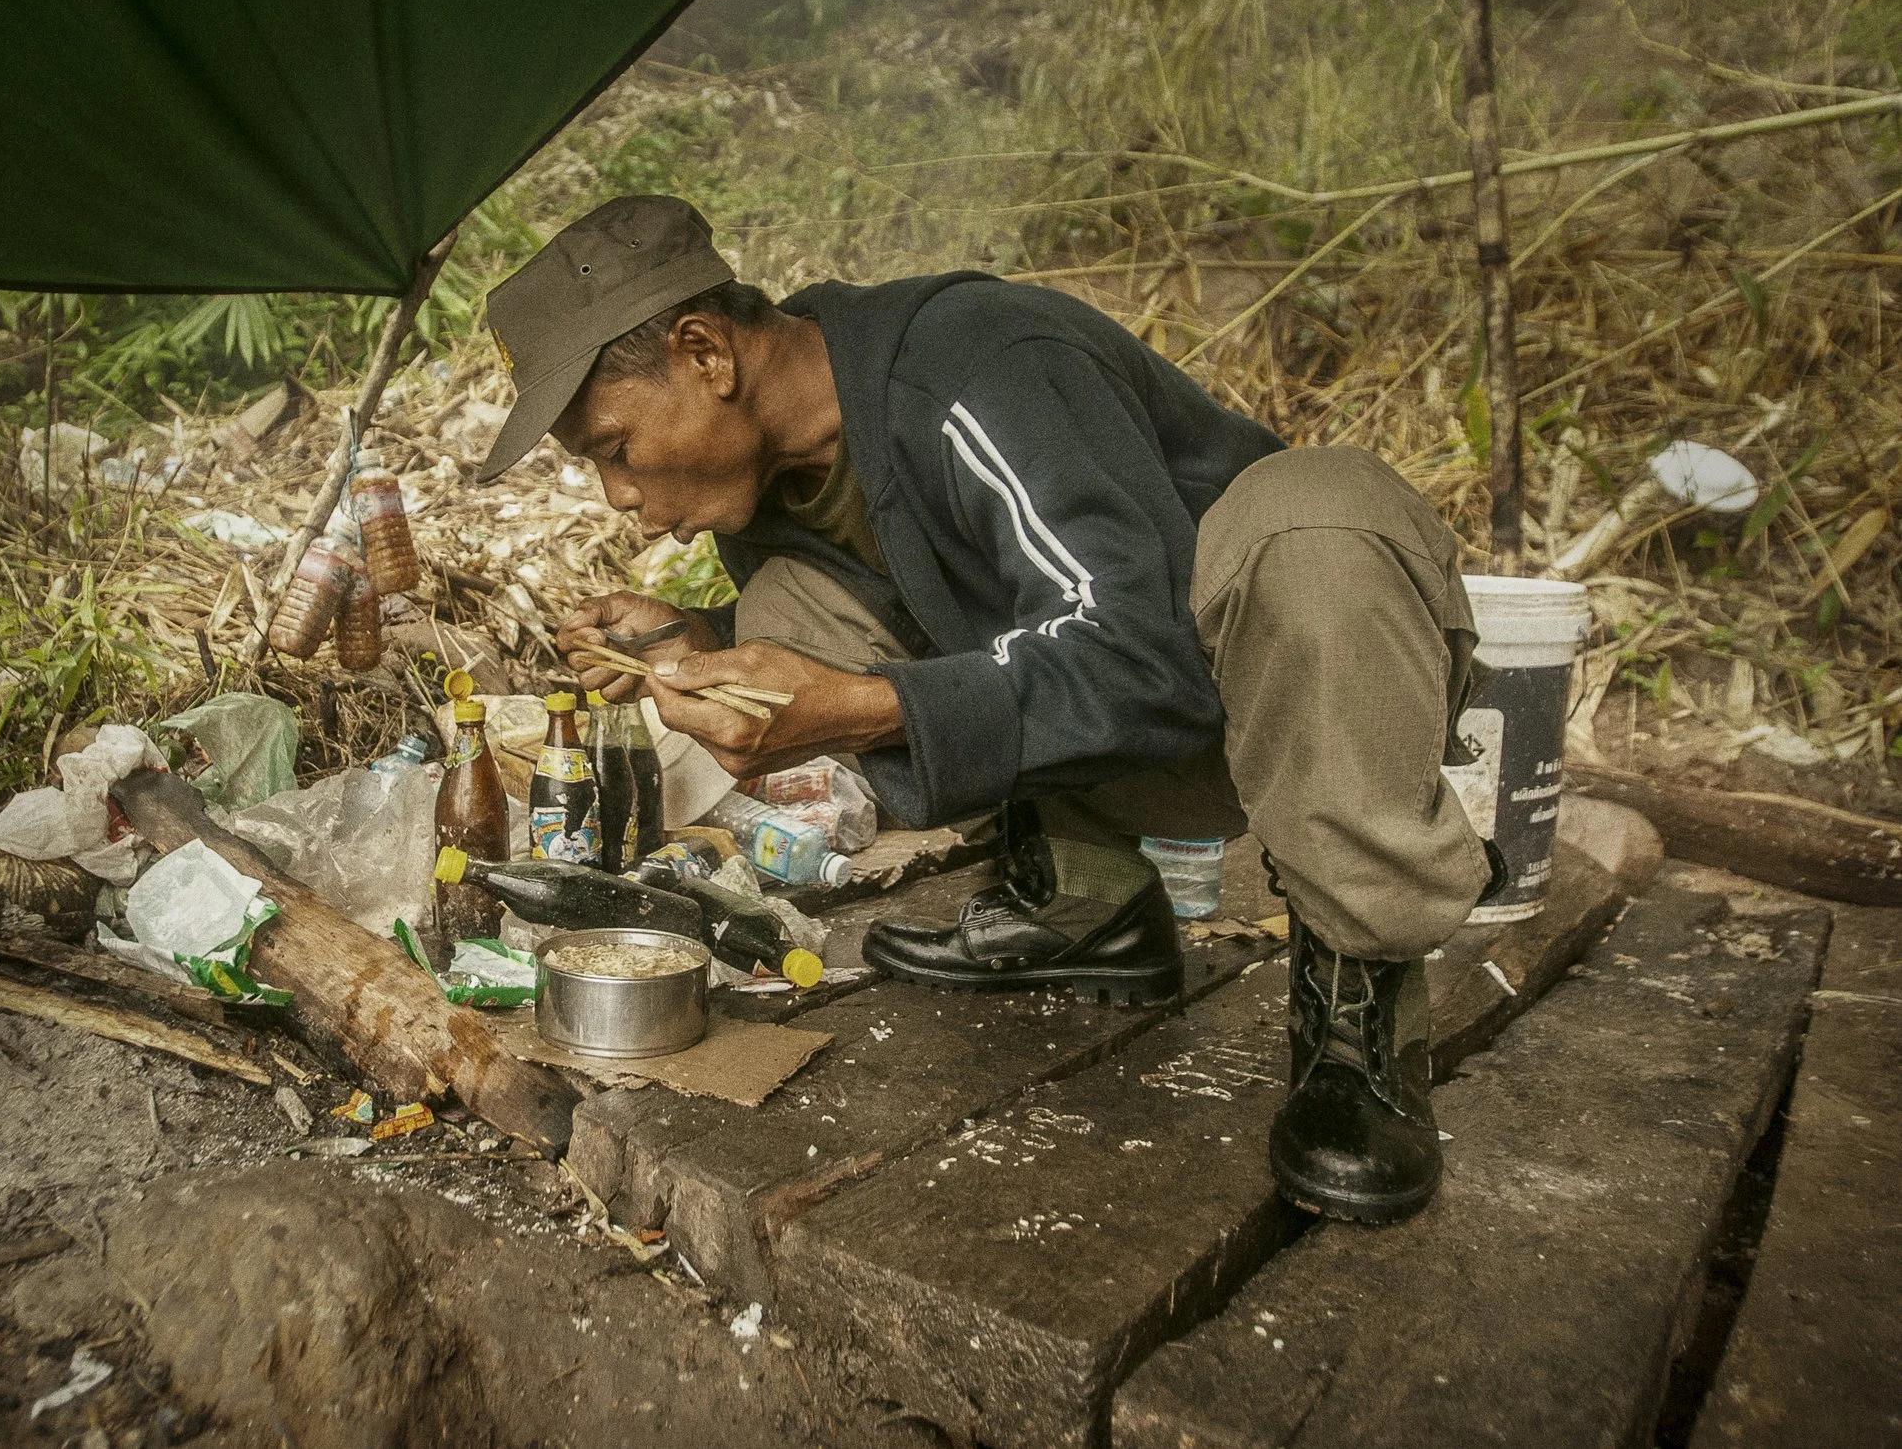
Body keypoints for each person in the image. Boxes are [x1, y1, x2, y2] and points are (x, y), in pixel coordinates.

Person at [479, 194, 1499, 1225]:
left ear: (705, 353)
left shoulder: (974, 366)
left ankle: (1360, 1008)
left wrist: (868, 707)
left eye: (611, 444)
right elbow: (945, 609)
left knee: (1313, 514)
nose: (615, 491)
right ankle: (1085, 896)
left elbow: (1143, 651)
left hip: (1292, 701)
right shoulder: (784, 480)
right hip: (1146, 733)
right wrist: (706, 643)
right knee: (780, 610)